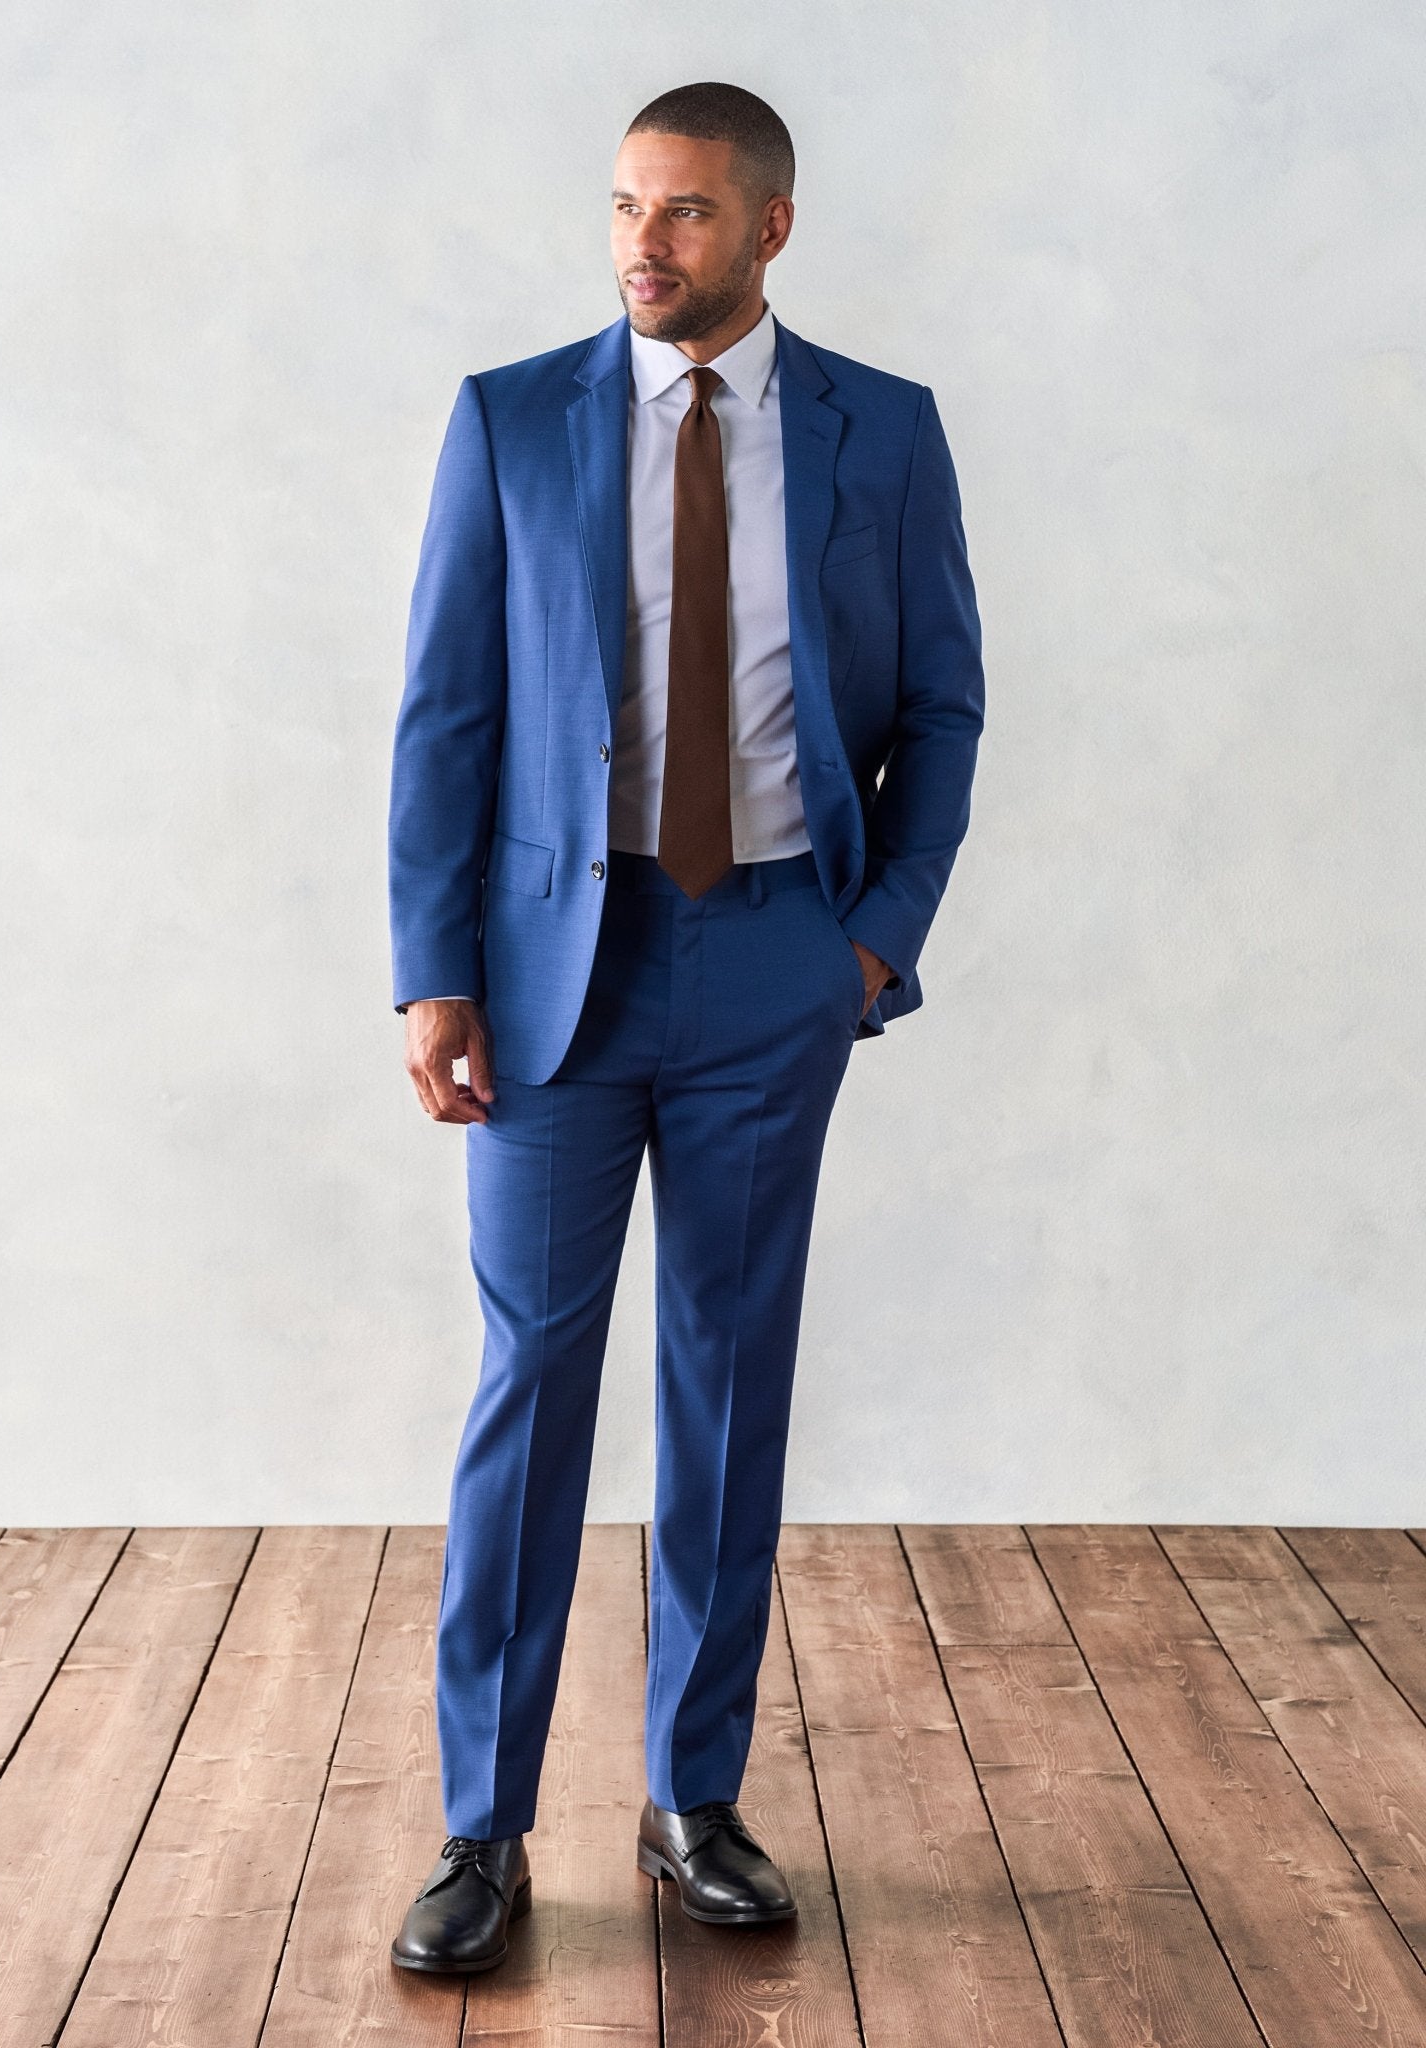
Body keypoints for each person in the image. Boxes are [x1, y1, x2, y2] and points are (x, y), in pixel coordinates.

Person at [386, 79, 984, 1974]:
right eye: (628, 208)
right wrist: (431, 971)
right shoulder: (511, 423)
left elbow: (946, 707)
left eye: (689, 216)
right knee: (528, 1394)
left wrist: (872, 943)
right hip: (560, 972)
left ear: (771, 230)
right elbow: (445, 720)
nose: (644, 245)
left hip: (774, 968)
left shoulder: (883, 434)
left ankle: (690, 1799)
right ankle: (483, 1828)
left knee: (729, 1393)